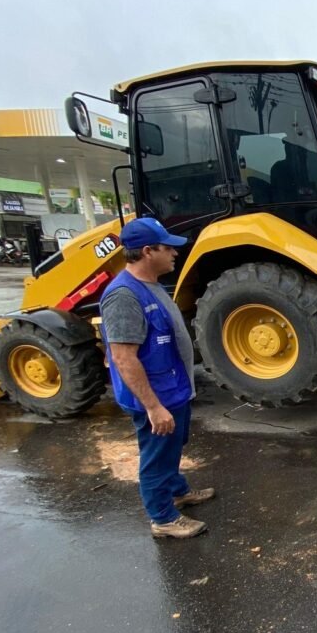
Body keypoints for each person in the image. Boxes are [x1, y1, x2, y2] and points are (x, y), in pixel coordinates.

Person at [100, 217, 215, 539]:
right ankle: (163, 517)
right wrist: (153, 407)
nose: (175, 253)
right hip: (156, 396)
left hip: (173, 388)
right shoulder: (124, 296)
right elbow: (123, 357)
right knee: (156, 456)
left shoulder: (151, 286)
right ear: (148, 251)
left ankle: (177, 491)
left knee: (173, 446)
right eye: (169, 248)